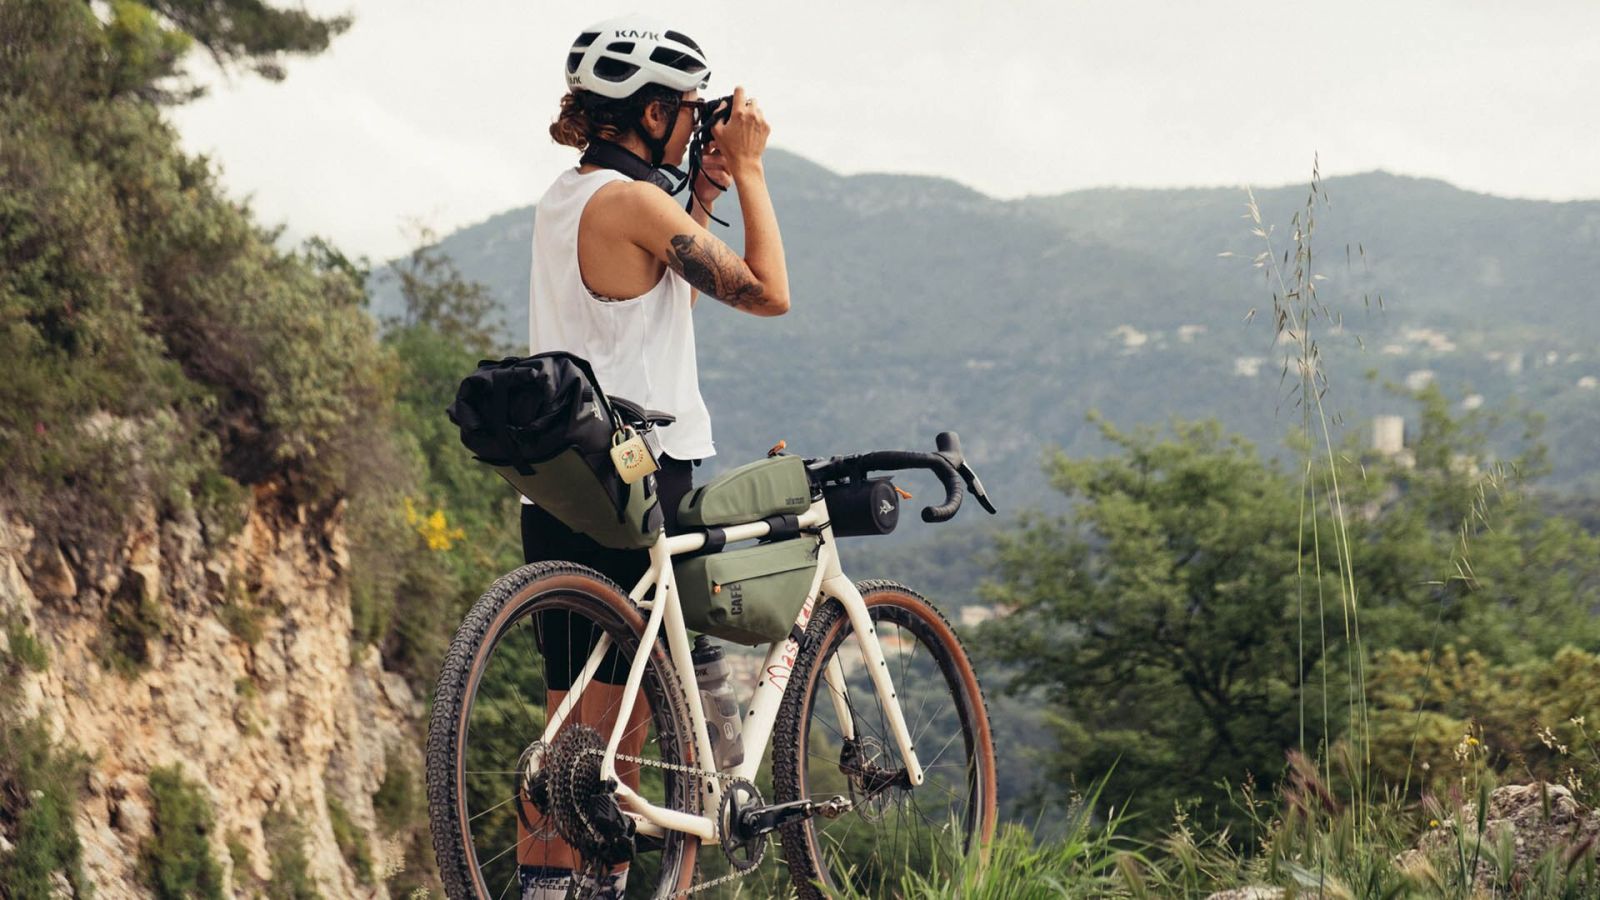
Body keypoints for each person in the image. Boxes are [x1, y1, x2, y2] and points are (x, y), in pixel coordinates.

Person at [517, 16, 790, 899]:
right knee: (621, 717)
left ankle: (543, 887)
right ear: (651, 113)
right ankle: (601, 885)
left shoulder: (571, 195)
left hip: (566, 473)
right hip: (643, 468)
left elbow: (648, 309)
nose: (700, 125)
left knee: (572, 717)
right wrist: (746, 171)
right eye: (689, 111)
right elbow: (768, 295)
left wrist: (699, 195)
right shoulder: (635, 202)